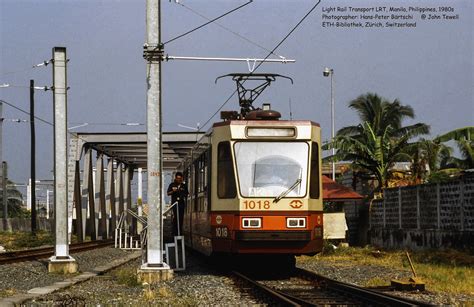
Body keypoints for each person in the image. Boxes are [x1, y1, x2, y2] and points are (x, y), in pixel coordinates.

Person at [167, 172, 188, 236]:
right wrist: (173, 191)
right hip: (175, 205)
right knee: (175, 219)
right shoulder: (172, 185)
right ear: (175, 178)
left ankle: (180, 233)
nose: (179, 180)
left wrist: (182, 194)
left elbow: (187, 193)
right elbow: (168, 193)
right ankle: (174, 234)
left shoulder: (184, 185)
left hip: (181, 204)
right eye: (177, 178)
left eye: (180, 178)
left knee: (180, 219)